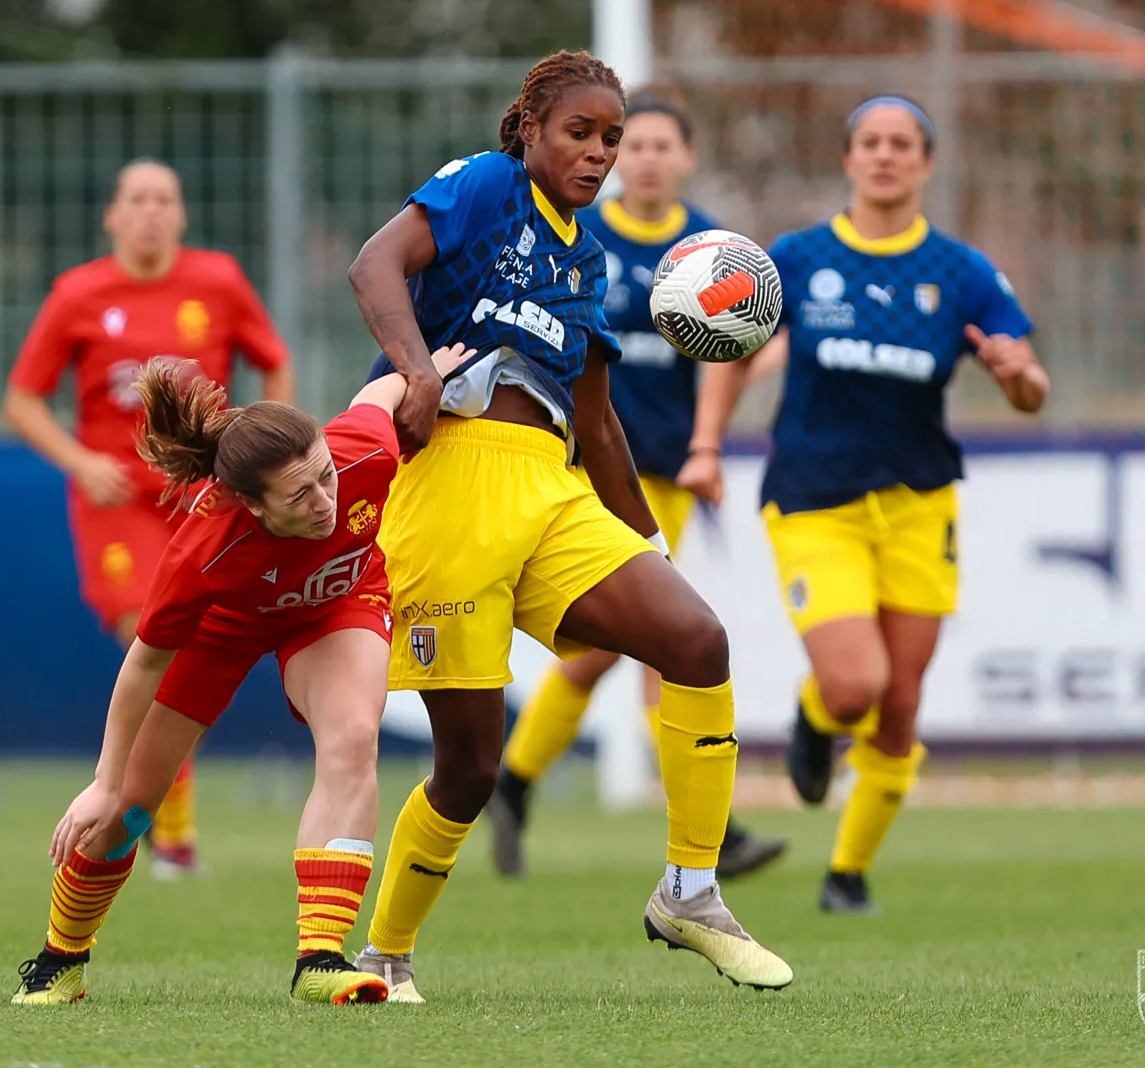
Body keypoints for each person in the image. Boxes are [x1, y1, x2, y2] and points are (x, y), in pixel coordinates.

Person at [345, 50, 794, 1002]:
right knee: (469, 769)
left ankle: (690, 892)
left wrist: (651, 548)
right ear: (530, 131)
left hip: (552, 486)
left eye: (610, 139)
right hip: (450, 487)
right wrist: (417, 373)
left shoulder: (585, 259)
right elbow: (373, 263)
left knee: (695, 638)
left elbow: (598, 425)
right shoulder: (485, 184)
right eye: (579, 133)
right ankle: (386, 953)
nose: (598, 153)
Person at [10, 341, 476, 1007]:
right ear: (252, 506)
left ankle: (320, 959)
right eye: (300, 493)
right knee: (129, 811)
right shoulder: (204, 552)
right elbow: (144, 663)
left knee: (352, 739)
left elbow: (381, 395)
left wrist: (422, 375)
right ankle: (62, 960)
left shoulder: (362, 452)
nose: (325, 499)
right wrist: (104, 783)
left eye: (325, 475)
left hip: (336, 600)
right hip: (223, 630)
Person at [697, 96, 1048, 915]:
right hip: (815, 499)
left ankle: (847, 876)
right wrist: (705, 444)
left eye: (902, 144)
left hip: (920, 505)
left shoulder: (961, 272)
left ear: (926, 163)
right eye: (871, 142)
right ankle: (818, 717)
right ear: (848, 159)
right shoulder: (797, 258)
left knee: (901, 703)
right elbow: (730, 351)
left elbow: (1032, 384)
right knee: (857, 685)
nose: (885, 155)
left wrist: (1017, 376)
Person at [486, 89, 789, 882]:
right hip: (576, 468)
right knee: (651, 642)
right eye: (636, 145)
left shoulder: (711, 251)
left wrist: (707, 446)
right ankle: (712, 833)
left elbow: (732, 355)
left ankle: (512, 783)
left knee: (615, 651)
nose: (647, 159)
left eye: (662, 146)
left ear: (688, 158)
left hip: (659, 476)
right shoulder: (580, 234)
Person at [5, 158, 294, 879]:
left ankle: (155, 825)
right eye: (136, 199)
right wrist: (79, 461)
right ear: (112, 215)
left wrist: (264, 442)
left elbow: (275, 361)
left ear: (182, 214)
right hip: (119, 503)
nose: (151, 212)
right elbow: (21, 399)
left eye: (164, 199)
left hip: (204, 499)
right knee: (154, 639)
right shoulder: (79, 294)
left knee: (193, 654)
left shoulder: (218, 282)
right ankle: (172, 836)